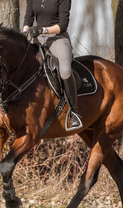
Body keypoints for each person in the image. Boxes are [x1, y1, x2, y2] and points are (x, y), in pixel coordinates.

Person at [23, 0, 82, 129]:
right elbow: (28, 18)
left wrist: (43, 30)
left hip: (57, 38)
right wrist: (25, 32)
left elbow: (62, 25)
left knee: (65, 70)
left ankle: (74, 112)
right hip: (37, 39)